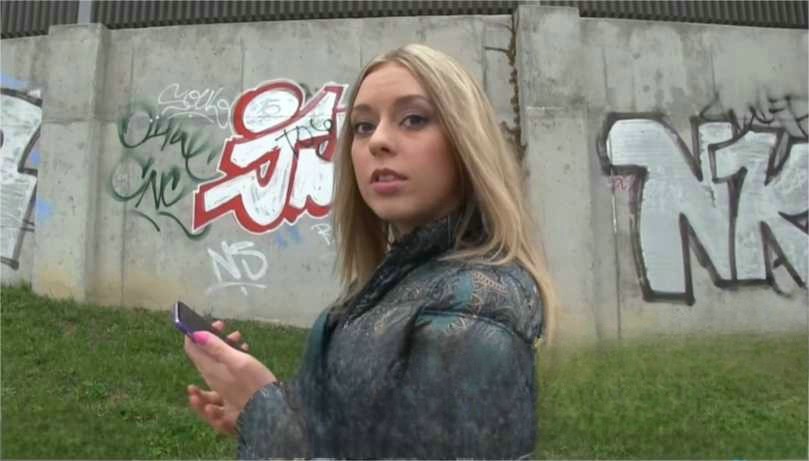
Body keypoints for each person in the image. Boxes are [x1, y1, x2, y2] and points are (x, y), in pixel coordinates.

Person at [183, 43, 557, 459]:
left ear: (467, 142)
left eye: (414, 119)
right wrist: (257, 405)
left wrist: (267, 415)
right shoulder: (396, 281)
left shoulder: (472, 311)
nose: (378, 140)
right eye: (363, 126)